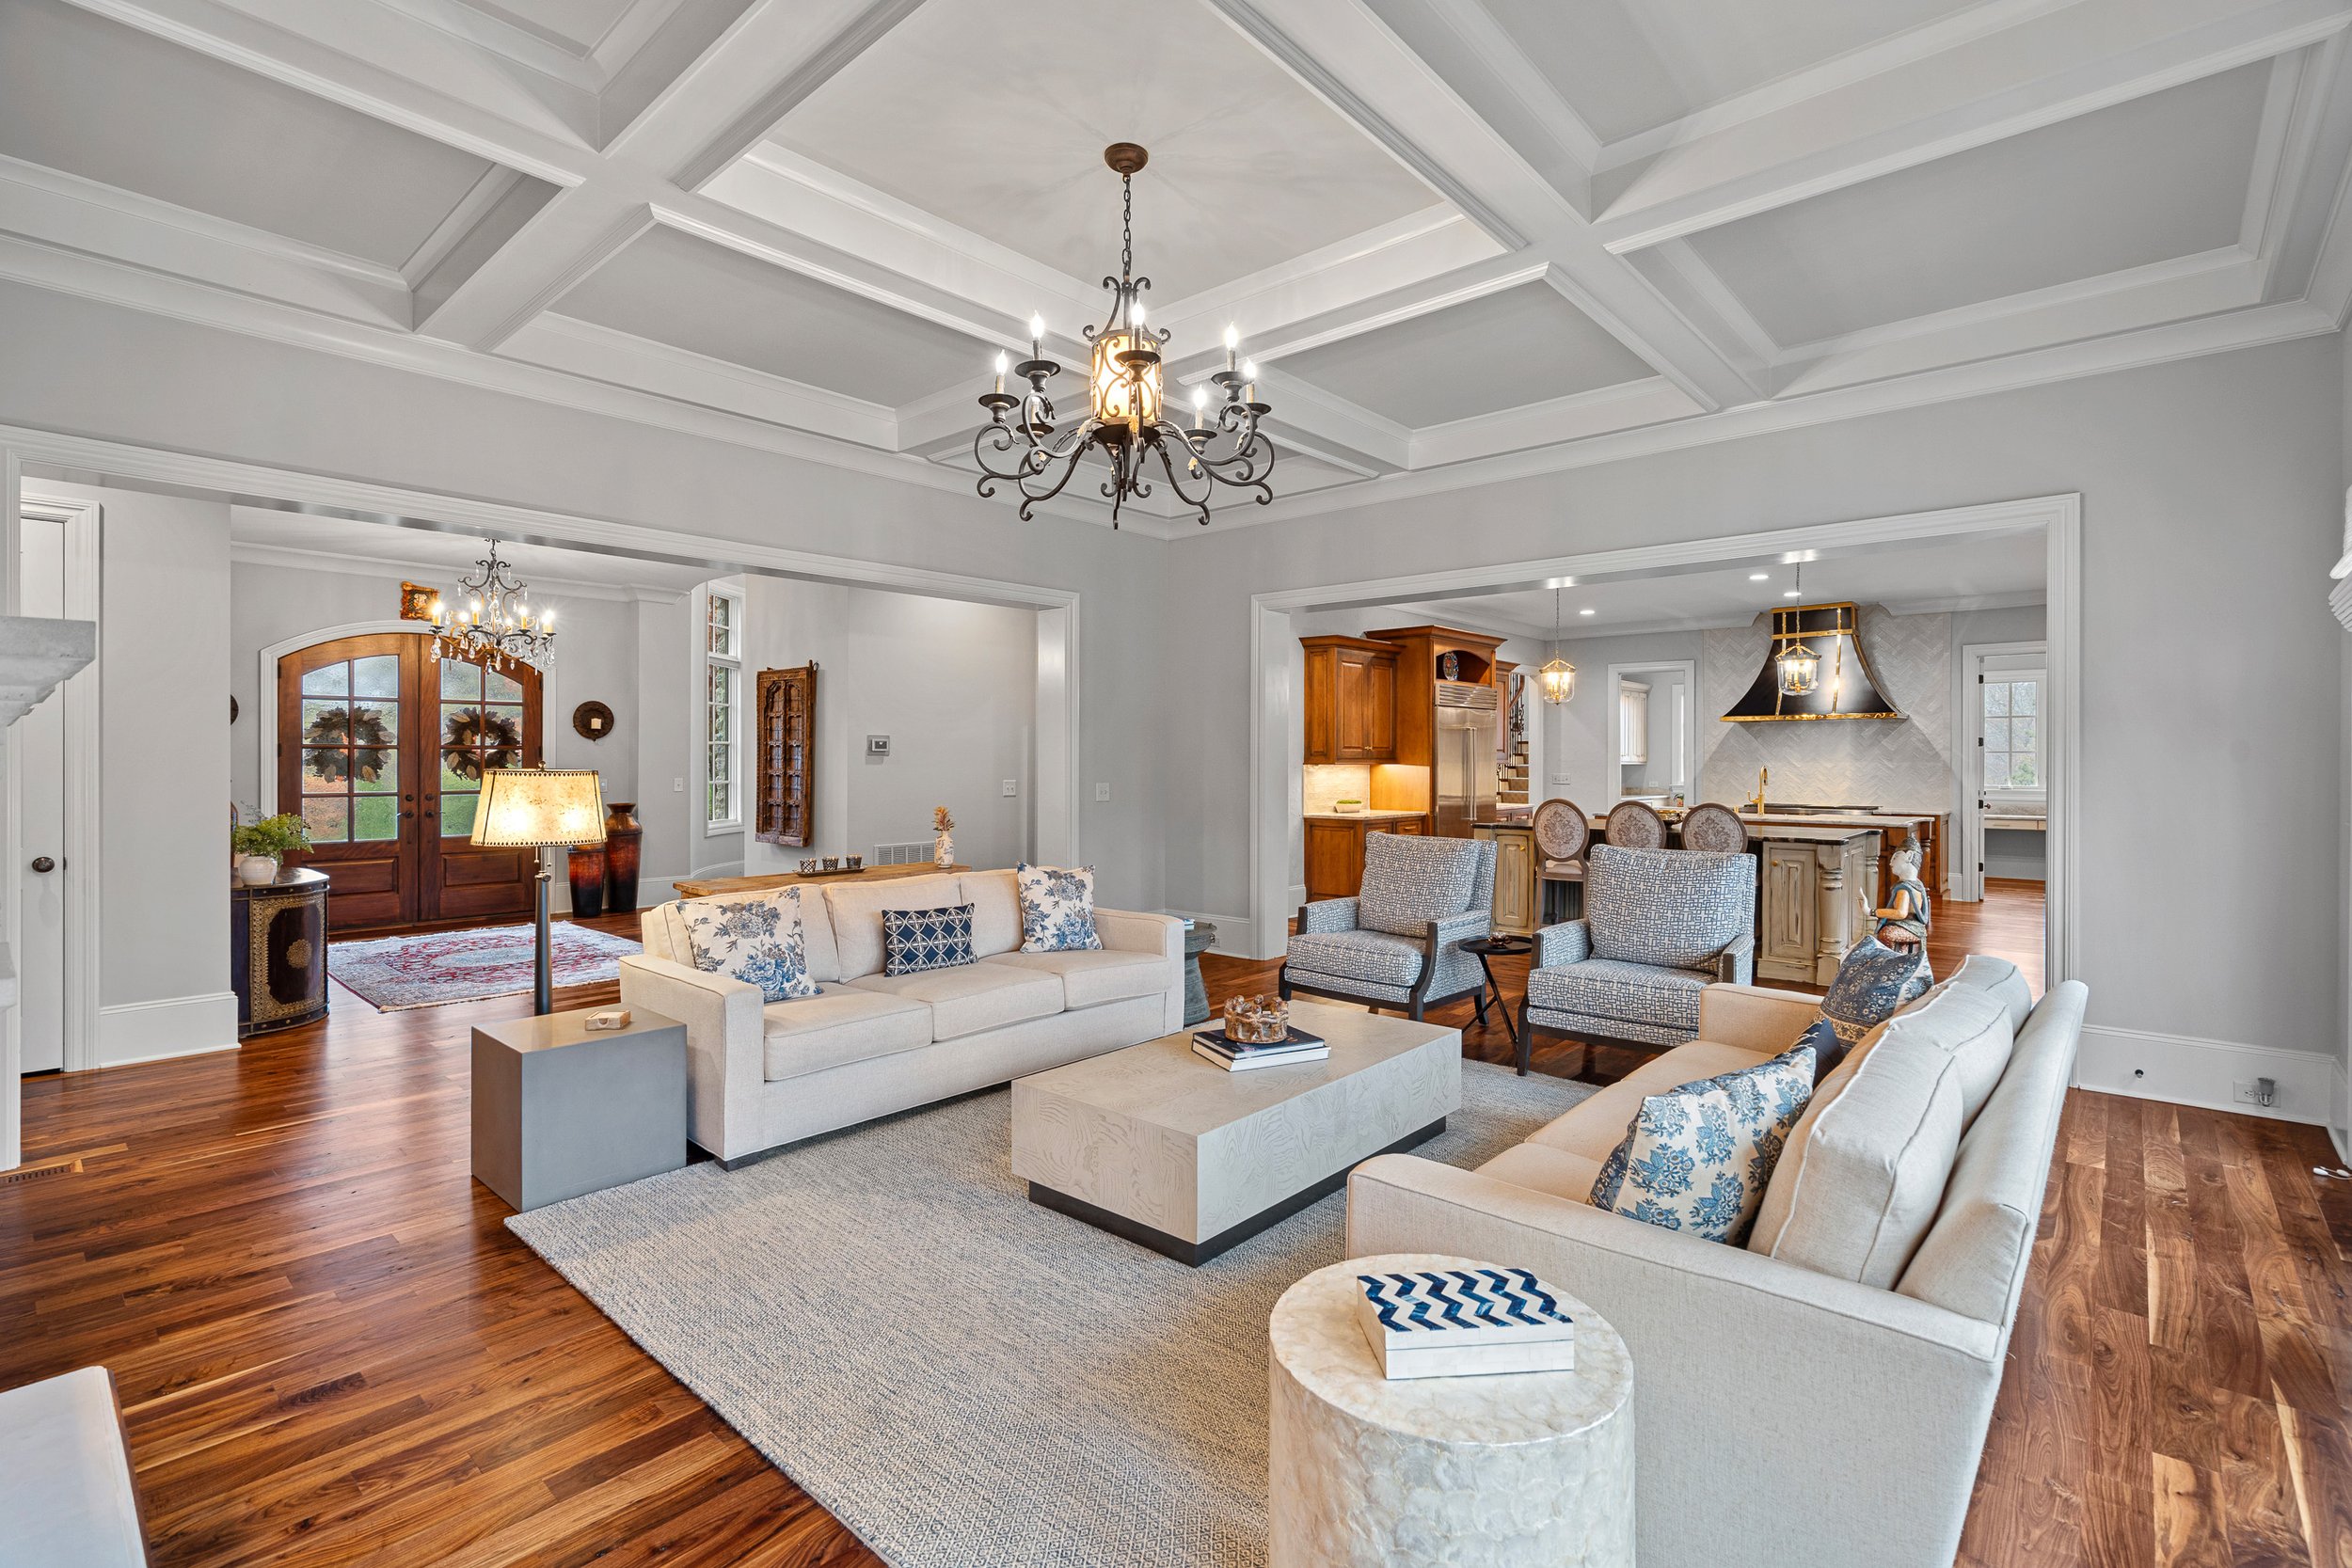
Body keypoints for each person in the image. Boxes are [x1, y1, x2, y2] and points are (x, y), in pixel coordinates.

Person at [1872, 842, 1931, 951]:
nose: (1890, 863)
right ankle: (1901, 953)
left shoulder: (1904, 888)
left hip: (1911, 927)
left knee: (1885, 934)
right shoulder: (1918, 883)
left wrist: (1871, 911)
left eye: (1895, 858)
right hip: (1913, 925)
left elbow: (1901, 913)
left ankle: (1893, 960)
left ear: (1909, 856)